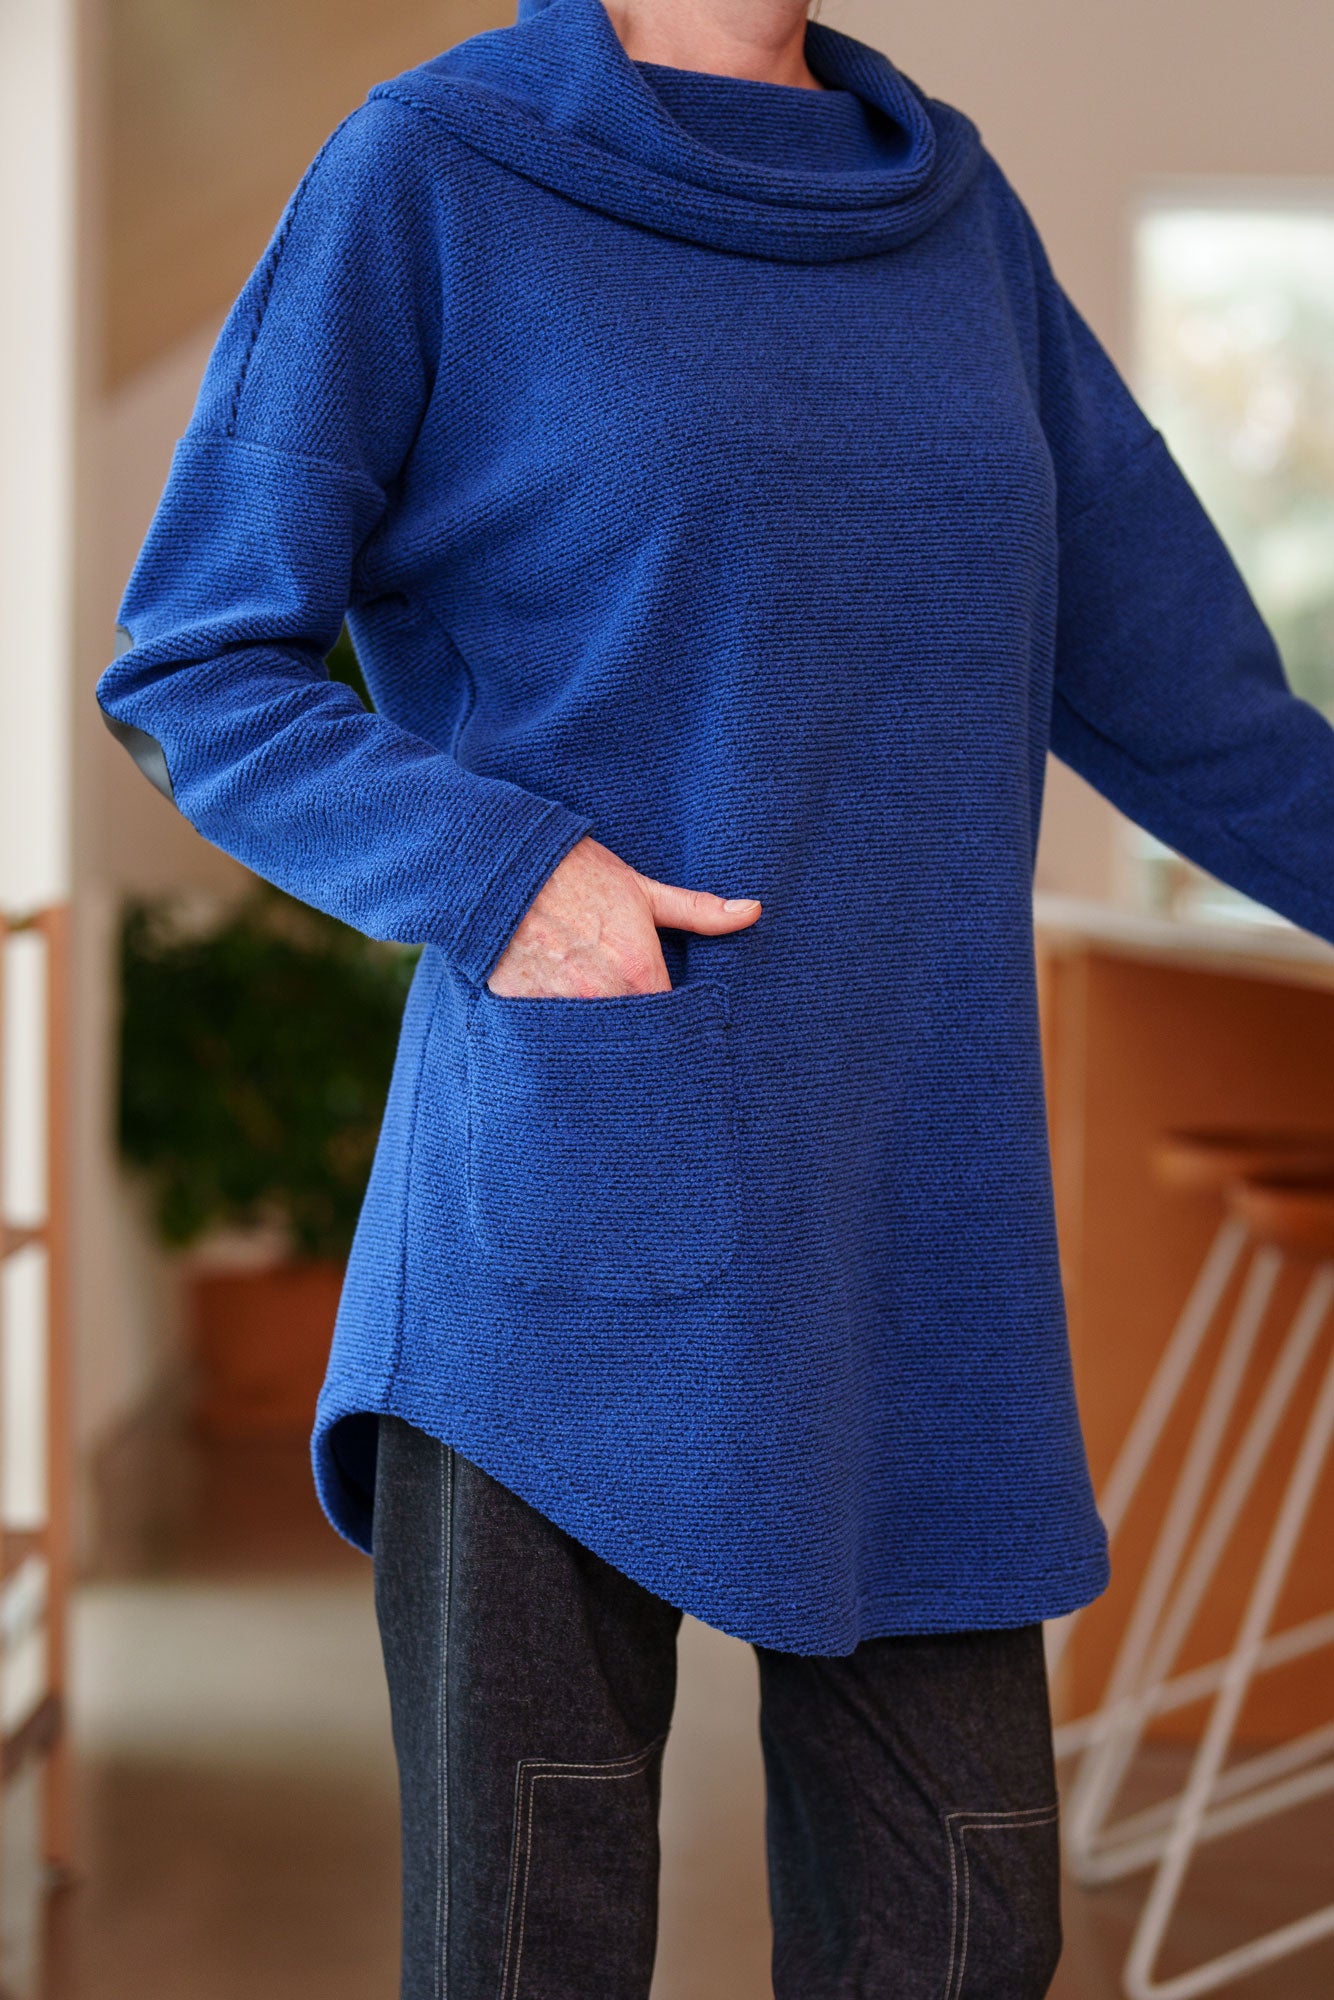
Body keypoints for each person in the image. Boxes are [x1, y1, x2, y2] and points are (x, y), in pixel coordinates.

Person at [95, 0, 1334, 1992]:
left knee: (959, 1945)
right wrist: (509, 874)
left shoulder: (949, 215)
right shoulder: (433, 171)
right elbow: (197, 660)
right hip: (565, 1229)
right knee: (536, 1953)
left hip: (918, 1242)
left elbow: (1206, 718)